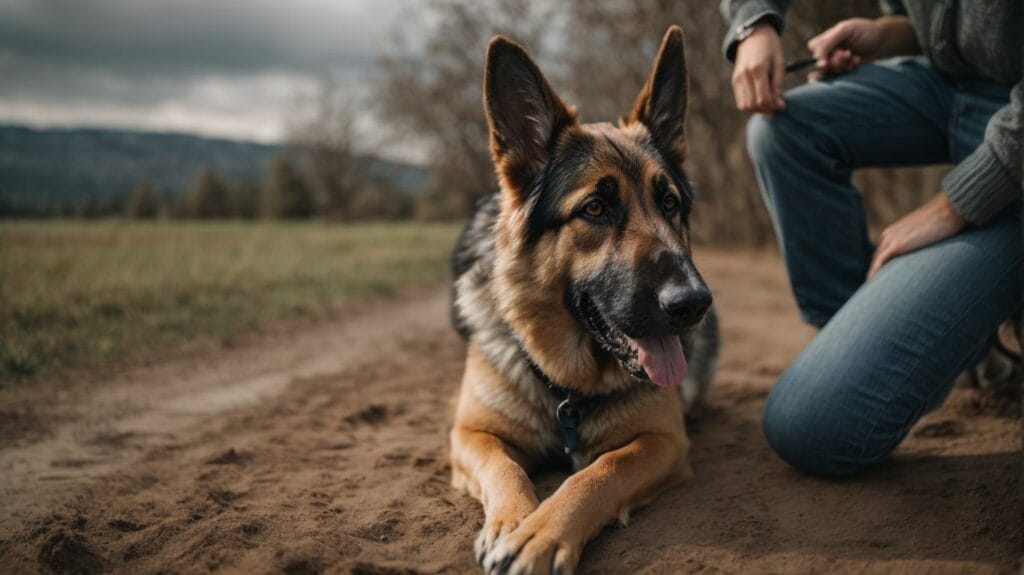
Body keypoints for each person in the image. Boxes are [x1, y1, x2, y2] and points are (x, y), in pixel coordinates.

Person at [720, 0, 1022, 476]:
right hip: (947, 86)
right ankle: (889, 351)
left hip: (1014, 131)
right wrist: (756, 25)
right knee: (779, 131)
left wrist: (955, 205)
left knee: (809, 424)